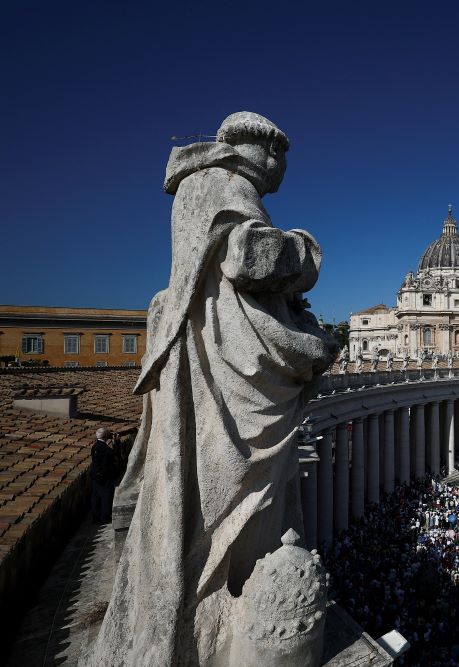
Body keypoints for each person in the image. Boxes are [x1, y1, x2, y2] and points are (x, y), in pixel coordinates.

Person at [86, 112, 334, 666]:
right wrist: (305, 250)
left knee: (236, 490)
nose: (284, 170)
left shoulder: (213, 187)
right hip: (223, 363)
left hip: (230, 355)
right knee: (225, 487)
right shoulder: (220, 185)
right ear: (259, 149)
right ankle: (214, 595)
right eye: (282, 157)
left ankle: (228, 581)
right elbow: (248, 257)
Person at [90, 427, 118, 524]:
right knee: (106, 497)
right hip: (104, 477)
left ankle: (96, 518)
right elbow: (114, 454)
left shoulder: (94, 446)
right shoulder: (103, 448)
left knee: (96, 498)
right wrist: (116, 442)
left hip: (95, 476)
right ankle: (104, 518)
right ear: (106, 436)